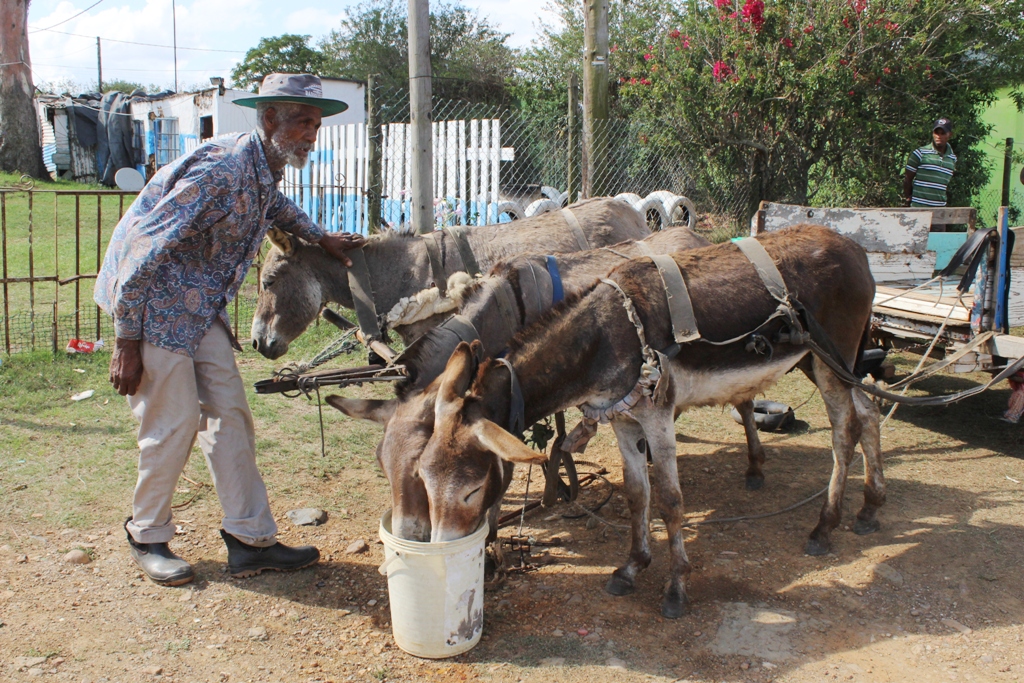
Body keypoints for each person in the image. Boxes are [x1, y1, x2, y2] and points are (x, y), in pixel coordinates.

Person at [94, 73, 365, 586]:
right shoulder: (223, 166)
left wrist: (320, 236)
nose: (312, 133)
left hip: (201, 310)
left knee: (231, 416)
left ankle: (249, 540)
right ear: (269, 120)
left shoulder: (265, 166)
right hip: (156, 308)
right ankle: (146, 533)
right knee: (171, 424)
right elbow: (140, 249)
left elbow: (273, 207)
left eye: (315, 123)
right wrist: (126, 341)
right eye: (302, 121)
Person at [903, 117, 957, 208]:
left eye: (942, 133)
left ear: (950, 135)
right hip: (919, 209)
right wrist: (909, 197)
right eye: (936, 133)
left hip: (940, 212)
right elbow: (907, 179)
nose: (938, 136)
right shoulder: (920, 153)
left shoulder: (952, 159)